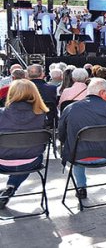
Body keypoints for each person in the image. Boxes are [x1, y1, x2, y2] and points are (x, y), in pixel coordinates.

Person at [58, 78, 106, 198]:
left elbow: (61, 134)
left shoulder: (70, 108)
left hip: (78, 157)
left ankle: (81, 187)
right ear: (101, 93)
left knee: (74, 145)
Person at [0, 80, 49, 208]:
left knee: (17, 154)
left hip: (2, 162)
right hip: (31, 161)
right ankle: (11, 187)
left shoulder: (1, 113)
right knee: (25, 155)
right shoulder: (42, 115)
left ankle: (10, 187)